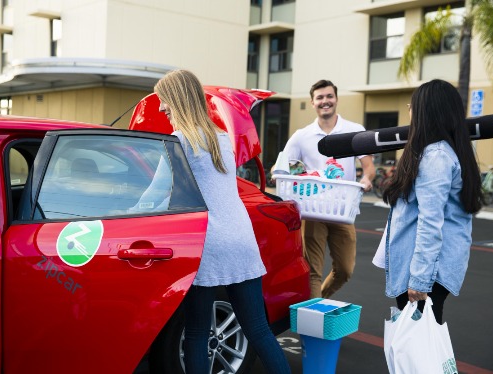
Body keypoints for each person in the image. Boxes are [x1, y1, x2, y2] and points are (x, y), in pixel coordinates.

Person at [154, 69, 291, 374]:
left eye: (165, 100)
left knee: (197, 334)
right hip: (241, 238)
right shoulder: (221, 138)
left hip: (210, 244)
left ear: (177, 99)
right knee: (259, 331)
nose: (162, 107)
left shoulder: (179, 142)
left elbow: (156, 195)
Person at [378, 79, 483, 323]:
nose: (409, 109)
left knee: (419, 351)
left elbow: (430, 221)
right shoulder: (445, 151)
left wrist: (419, 280)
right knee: (421, 347)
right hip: (431, 269)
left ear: (427, 111)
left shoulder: (435, 156)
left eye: (413, 105)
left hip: (427, 272)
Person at [281, 79, 375, 299]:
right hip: (313, 211)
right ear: (312, 103)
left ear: (336, 99)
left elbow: (368, 167)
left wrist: (367, 180)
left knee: (345, 270)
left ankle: (319, 299)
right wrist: (287, 173)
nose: (325, 101)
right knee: (312, 270)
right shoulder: (302, 136)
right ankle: (312, 316)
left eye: (329, 96)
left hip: (343, 210)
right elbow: (281, 166)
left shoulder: (354, 130)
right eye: (320, 97)